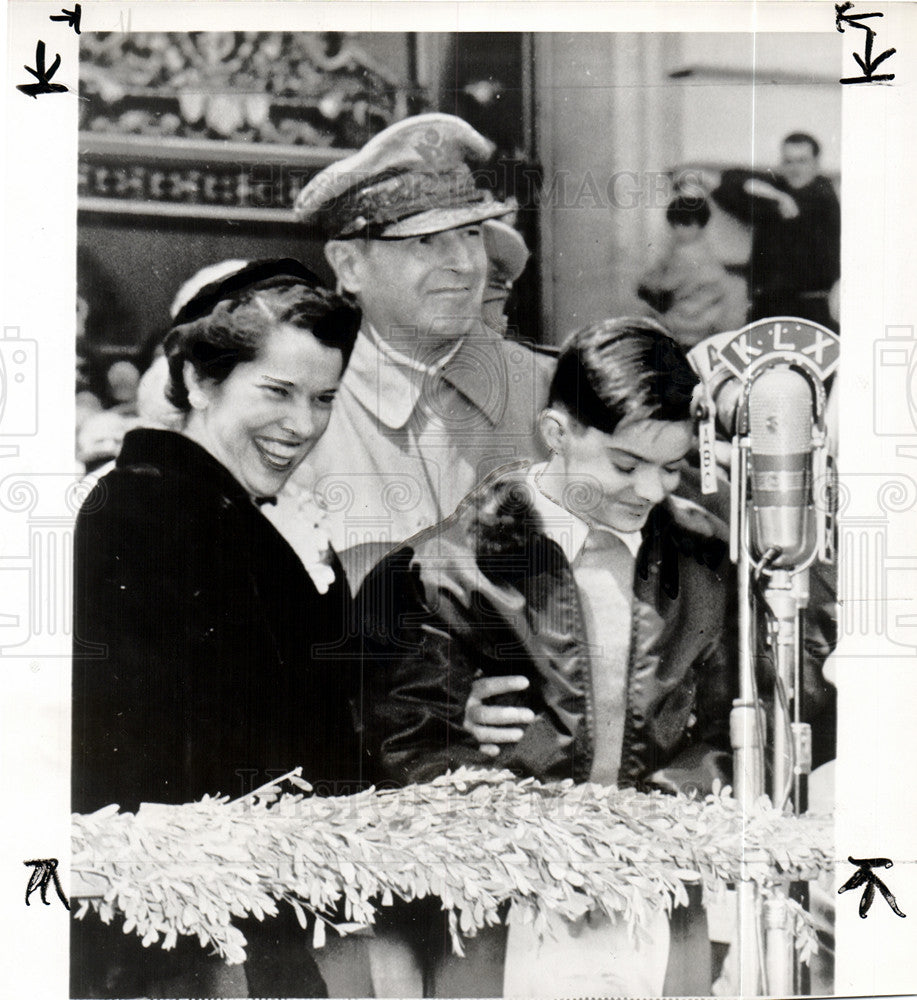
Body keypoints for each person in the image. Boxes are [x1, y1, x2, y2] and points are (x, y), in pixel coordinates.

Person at [360, 318, 737, 996]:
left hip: (659, 891)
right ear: (557, 433)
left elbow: (728, 728)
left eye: (671, 467)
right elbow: (411, 749)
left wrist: (649, 825)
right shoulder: (445, 568)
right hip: (499, 907)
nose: (650, 492)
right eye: (624, 465)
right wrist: (515, 817)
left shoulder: (704, 553)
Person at [71, 259, 363, 999]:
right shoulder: (143, 515)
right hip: (183, 944)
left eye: (324, 398)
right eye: (276, 391)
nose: (302, 424)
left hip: (246, 923)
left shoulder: (225, 514)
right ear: (199, 383)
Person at [276, 113, 554, 562]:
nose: (464, 263)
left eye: (470, 233)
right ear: (348, 265)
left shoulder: (547, 390)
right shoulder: (297, 411)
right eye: (425, 241)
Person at [711, 132, 840, 330]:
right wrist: (778, 195)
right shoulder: (782, 191)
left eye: (802, 161)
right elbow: (732, 179)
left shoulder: (822, 196)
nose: (795, 168)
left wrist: (773, 196)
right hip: (769, 304)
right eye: (788, 161)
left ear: (816, 163)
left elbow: (752, 204)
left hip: (808, 309)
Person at [637, 195, 749, 348]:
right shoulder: (704, 250)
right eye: (675, 224)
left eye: (685, 224)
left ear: (700, 226)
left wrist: (650, 281)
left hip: (689, 322)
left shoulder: (685, 254)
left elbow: (661, 285)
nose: (679, 230)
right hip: (706, 319)